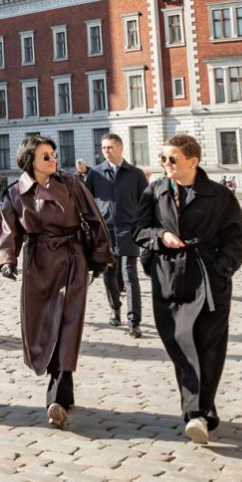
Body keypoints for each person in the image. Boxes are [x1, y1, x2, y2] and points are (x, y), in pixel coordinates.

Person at [132, 134, 242, 444]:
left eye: (172, 159)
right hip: (168, 277)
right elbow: (138, 229)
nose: (165, 164)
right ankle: (202, 410)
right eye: (163, 158)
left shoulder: (219, 195)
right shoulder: (155, 191)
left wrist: (221, 270)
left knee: (208, 346)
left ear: (192, 162)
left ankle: (196, 413)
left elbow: (237, 236)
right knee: (180, 343)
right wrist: (159, 237)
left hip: (208, 278)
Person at [0, 134, 113, 427]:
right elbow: (8, 229)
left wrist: (100, 255)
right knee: (41, 326)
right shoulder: (15, 193)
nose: (53, 160)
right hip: (37, 265)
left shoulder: (71, 184)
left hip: (72, 259)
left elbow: (94, 219)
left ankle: (56, 397)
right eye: (45, 156)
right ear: (29, 161)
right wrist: (7, 260)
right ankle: (65, 390)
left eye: (53, 154)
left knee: (68, 324)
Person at [85, 133, 148, 335]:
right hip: (105, 233)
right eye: (104, 147)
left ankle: (134, 321)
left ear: (121, 148)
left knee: (130, 275)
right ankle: (115, 310)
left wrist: (143, 227)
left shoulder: (136, 174)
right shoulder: (95, 173)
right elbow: (87, 203)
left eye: (110, 147)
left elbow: (146, 203)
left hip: (128, 231)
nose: (106, 151)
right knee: (109, 276)